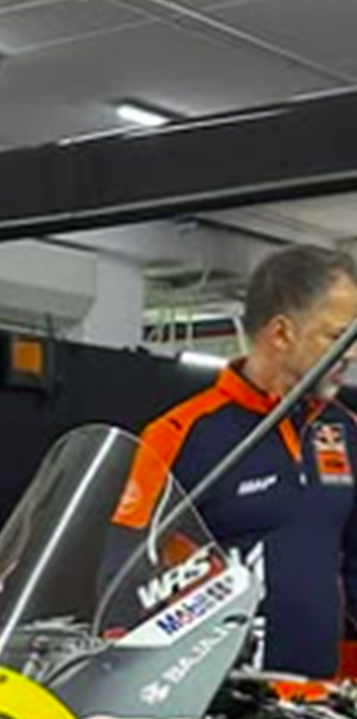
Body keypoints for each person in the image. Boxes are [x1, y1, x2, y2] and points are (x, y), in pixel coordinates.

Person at [119, 244, 357, 679]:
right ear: (281, 334)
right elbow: (120, 575)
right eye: (337, 336)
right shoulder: (178, 434)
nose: (352, 353)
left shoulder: (347, 431)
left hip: (313, 700)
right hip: (211, 697)